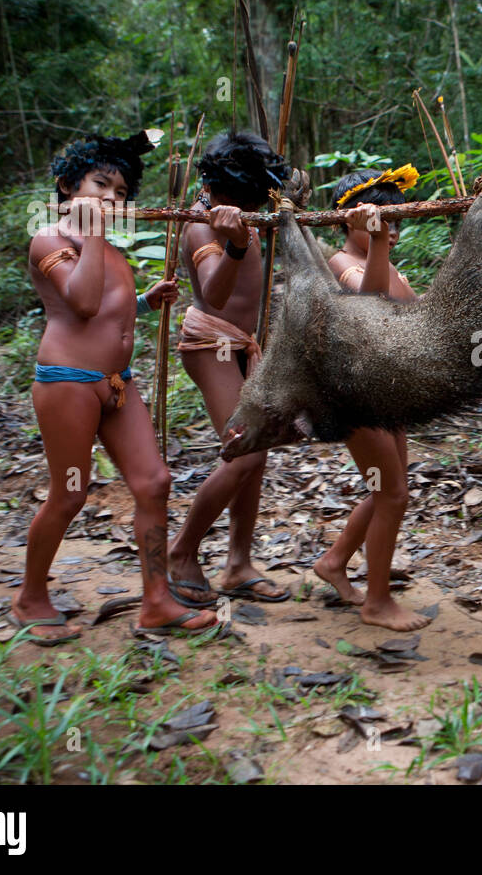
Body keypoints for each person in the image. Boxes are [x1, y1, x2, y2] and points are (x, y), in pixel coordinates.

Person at [18, 131, 217, 643]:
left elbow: (107, 308)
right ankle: (30, 599)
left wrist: (147, 301)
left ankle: (156, 602)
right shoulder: (50, 238)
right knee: (69, 493)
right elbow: (80, 304)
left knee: (154, 483)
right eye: (100, 184)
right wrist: (95, 235)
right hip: (67, 382)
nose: (111, 198)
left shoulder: (103, 245)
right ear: (67, 185)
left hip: (116, 383)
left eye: (121, 191)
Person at [167, 131, 292, 607]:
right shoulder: (201, 224)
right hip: (211, 344)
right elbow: (215, 295)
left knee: (253, 463)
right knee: (245, 451)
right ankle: (181, 552)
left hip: (243, 344)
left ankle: (238, 565)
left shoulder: (248, 209)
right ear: (218, 190)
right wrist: (236, 245)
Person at [309, 166, 432, 632]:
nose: (392, 230)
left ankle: (336, 561)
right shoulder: (341, 264)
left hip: (388, 393)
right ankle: (377, 602)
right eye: (383, 220)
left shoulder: (385, 260)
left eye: (396, 221)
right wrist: (376, 240)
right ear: (348, 221)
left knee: (388, 487)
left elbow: (412, 316)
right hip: (356, 395)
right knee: (392, 494)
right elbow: (371, 304)